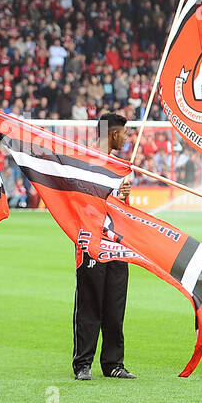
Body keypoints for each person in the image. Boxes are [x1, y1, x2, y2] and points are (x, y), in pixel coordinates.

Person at [72, 113, 135, 380]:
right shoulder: (86, 164)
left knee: (115, 304)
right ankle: (83, 363)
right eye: (124, 133)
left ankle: (113, 364)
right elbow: (80, 203)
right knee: (89, 304)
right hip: (92, 242)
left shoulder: (121, 167)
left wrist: (123, 197)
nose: (126, 138)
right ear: (113, 134)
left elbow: (122, 211)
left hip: (117, 244)